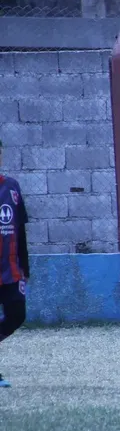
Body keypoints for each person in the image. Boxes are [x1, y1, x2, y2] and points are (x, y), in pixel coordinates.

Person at [0, 139, 29, 388]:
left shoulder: (12, 188)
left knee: (18, 314)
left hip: (10, 270)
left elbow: (20, 230)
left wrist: (25, 267)